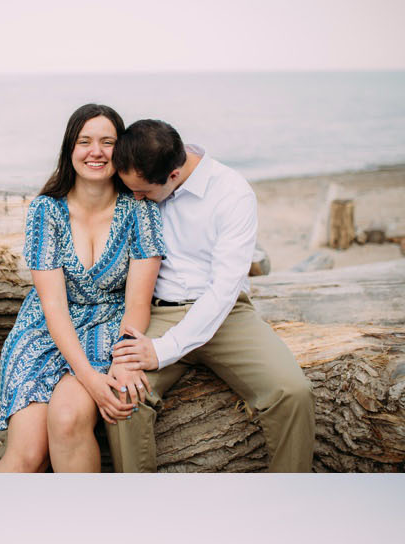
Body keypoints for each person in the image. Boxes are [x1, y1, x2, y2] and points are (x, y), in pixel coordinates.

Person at [106, 119, 314, 472]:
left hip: (227, 314)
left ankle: (289, 497)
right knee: (125, 394)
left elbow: (224, 289)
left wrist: (163, 350)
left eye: (142, 191)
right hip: (159, 312)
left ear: (172, 176)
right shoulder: (143, 172)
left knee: (292, 393)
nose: (135, 197)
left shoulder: (232, 193)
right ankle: (136, 507)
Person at [0, 105, 163, 473]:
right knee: (27, 456)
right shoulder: (46, 210)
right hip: (46, 330)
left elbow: (137, 302)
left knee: (67, 418)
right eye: (84, 141)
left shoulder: (141, 211)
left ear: (124, 151)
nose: (95, 152)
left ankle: (83, 524)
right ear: (70, 149)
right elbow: (52, 305)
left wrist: (121, 362)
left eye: (107, 142)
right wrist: (90, 378)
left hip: (109, 328)